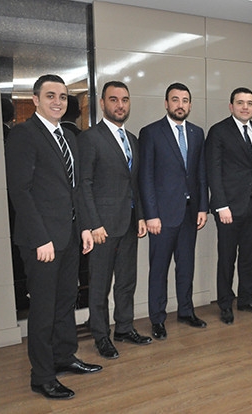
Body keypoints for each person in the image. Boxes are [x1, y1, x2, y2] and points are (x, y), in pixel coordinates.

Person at [4, 74, 102, 399]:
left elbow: (76, 190)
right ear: (35, 100)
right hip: (42, 242)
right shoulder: (24, 134)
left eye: (62, 96)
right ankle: (42, 376)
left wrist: (84, 228)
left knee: (65, 303)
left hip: (69, 237)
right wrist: (40, 239)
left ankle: (64, 356)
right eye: (50, 96)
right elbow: (20, 192)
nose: (57, 102)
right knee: (44, 310)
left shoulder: (69, 137)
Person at [79, 81, 151, 359]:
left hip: (130, 222)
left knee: (126, 281)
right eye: (113, 99)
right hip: (103, 227)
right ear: (102, 103)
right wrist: (93, 223)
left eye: (124, 100)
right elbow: (84, 184)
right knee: (99, 285)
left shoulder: (132, 139)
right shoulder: (90, 138)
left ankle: (124, 327)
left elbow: (135, 184)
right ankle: (101, 336)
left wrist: (140, 216)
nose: (120, 105)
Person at [138, 83, 209, 340]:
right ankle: (157, 319)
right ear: (166, 103)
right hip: (162, 216)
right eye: (175, 99)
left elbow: (200, 173)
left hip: (190, 213)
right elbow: (145, 176)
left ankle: (186, 311)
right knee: (159, 269)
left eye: (185, 100)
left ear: (190, 104)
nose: (180, 104)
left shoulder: (197, 133)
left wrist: (203, 207)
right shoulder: (151, 132)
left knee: (186, 266)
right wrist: (151, 214)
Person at [206, 87, 252, 325]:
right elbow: (213, 170)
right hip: (229, 208)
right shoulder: (218, 131)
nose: (245, 107)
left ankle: (246, 299)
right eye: (240, 102)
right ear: (231, 106)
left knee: (249, 256)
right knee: (226, 258)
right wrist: (220, 205)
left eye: (250, 103)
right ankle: (225, 304)